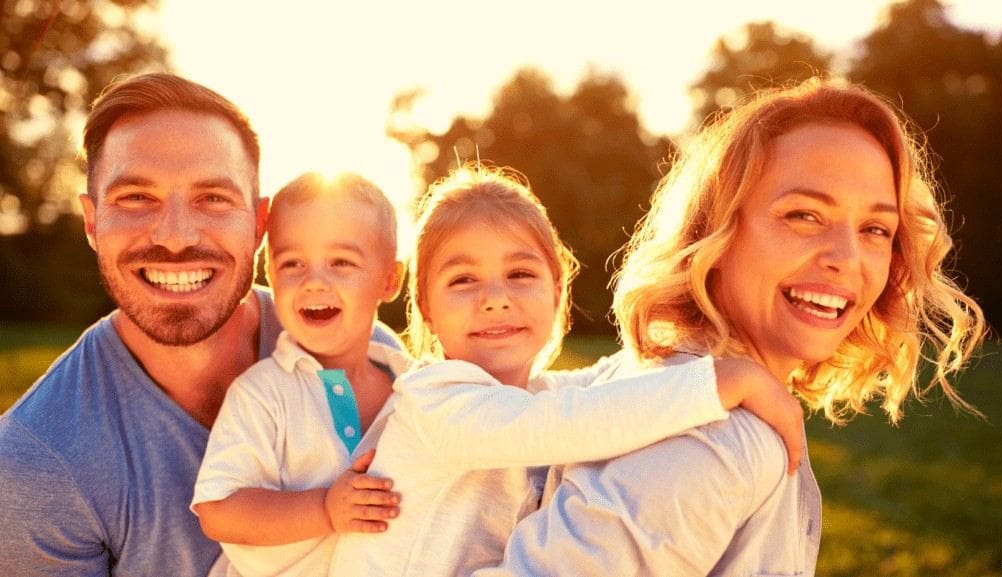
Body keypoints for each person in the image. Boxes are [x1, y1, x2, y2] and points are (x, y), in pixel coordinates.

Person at [476, 78, 987, 576]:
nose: (847, 258)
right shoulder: (713, 442)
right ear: (716, 230)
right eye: (804, 215)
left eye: (876, 229)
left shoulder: (642, 382)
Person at [0, 73, 399, 577]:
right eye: (136, 198)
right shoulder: (37, 463)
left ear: (258, 224)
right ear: (91, 221)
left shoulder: (363, 353)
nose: (175, 237)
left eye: (212, 197)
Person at [328, 165, 805, 577]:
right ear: (427, 310)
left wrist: (690, 347)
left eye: (520, 274)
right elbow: (578, 418)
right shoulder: (436, 400)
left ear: (557, 292)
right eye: (463, 280)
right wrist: (726, 382)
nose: (495, 297)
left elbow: (602, 382)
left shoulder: (530, 393)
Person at [191, 172, 410, 577]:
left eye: (341, 262)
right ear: (270, 277)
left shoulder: (414, 391)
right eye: (292, 263)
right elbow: (218, 511)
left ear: (389, 279)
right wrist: (324, 509)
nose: (313, 282)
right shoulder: (263, 393)